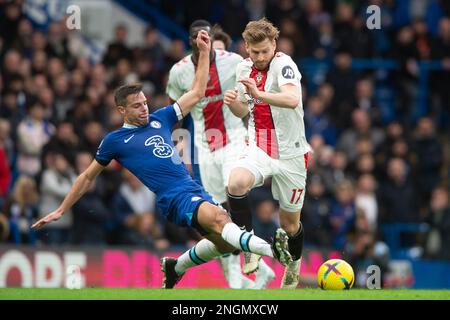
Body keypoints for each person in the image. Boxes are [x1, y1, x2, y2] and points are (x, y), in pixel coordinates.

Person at [32, 31, 292, 289]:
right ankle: (272, 250)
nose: (144, 108)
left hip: (191, 188)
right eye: (137, 106)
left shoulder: (161, 118)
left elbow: (197, 91)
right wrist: (61, 209)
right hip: (173, 197)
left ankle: (175, 267)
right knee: (223, 222)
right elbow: (87, 176)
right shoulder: (115, 140)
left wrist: (203, 53)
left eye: (145, 103)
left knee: (223, 243)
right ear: (122, 110)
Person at [166, 20, 274, 289]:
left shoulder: (233, 62)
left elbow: (253, 95)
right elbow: (175, 111)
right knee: (214, 217)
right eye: (195, 36)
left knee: (235, 193)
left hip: (234, 141)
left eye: (205, 36)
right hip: (203, 149)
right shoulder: (179, 72)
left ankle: (250, 261)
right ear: (189, 39)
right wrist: (174, 143)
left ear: (212, 38)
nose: (200, 40)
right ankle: (244, 276)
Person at [224, 18, 311, 289]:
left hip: (292, 153)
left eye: (265, 51)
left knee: (289, 225)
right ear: (246, 47)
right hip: (259, 145)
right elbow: (243, 109)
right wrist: (234, 103)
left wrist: (258, 93)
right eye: (255, 51)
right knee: (235, 182)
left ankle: (293, 265)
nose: (260, 57)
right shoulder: (243, 67)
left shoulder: (284, 64)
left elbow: (292, 99)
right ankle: (248, 245)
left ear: (274, 44)